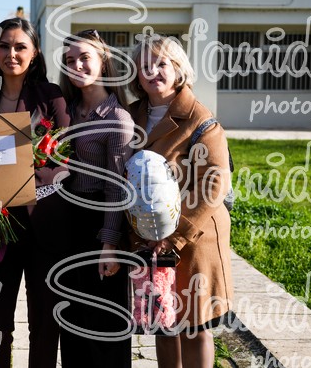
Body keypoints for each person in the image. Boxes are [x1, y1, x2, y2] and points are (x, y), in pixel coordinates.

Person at [127, 34, 233, 368]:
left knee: (193, 325)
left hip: (193, 236)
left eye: (161, 63)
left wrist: (173, 237)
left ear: (178, 69)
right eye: (145, 65)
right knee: (163, 322)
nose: (153, 71)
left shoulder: (200, 118)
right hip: (146, 238)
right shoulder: (129, 115)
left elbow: (214, 183)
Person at [0, 17, 71, 368]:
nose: (11, 54)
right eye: (4, 46)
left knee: (44, 321)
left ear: (35, 52)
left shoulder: (51, 96)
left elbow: (67, 160)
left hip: (43, 224)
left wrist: (23, 167)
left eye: (20, 47)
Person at [58, 29, 134, 368]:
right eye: (70, 60)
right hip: (69, 221)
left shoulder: (117, 118)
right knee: (73, 318)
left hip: (101, 222)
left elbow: (118, 187)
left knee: (104, 322)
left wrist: (109, 244)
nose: (77, 65)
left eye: (84, 57)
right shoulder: (67, 110)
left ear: (103, 61)